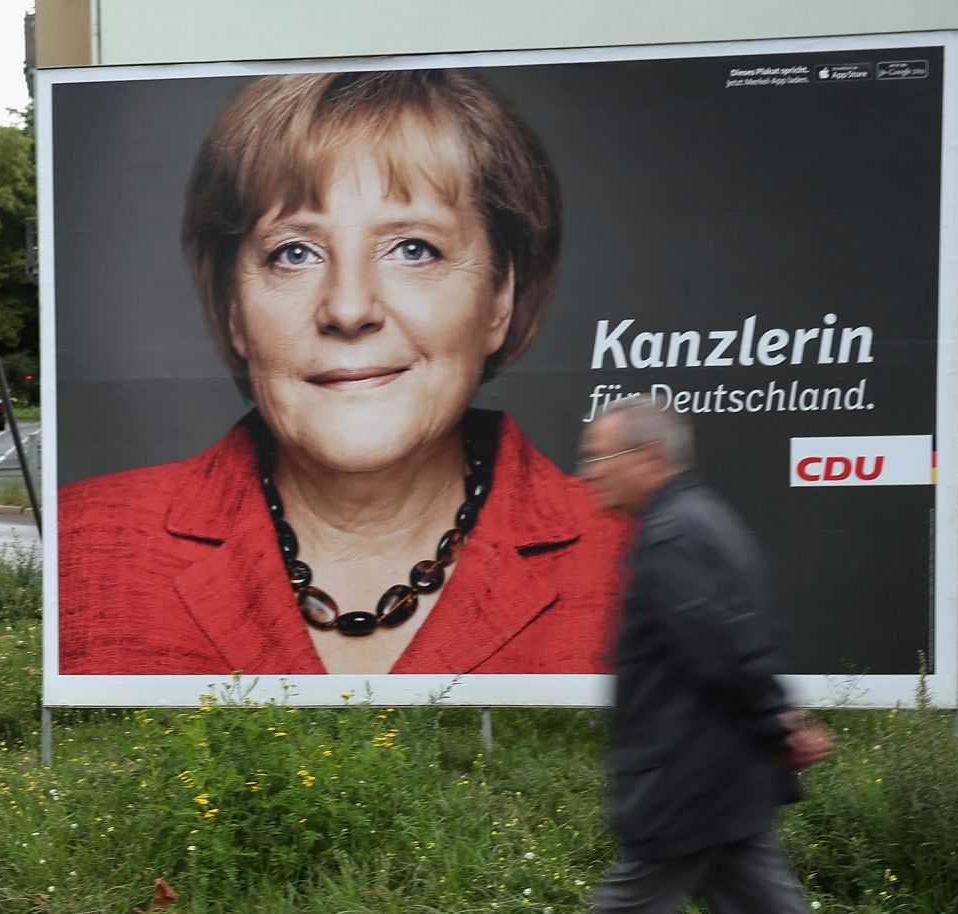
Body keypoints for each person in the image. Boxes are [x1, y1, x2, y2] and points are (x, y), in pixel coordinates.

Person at [59, 70, 630, 676]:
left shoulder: (631, 561)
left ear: (499, 298)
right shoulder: (86, 551)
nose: (350, 308)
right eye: (294, 252)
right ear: (233, 309)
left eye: (413, 247)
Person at [578, 396, 834, 913]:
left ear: (647, 456)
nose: (587, 473)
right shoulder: (696, 518)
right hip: (718, 783)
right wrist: (775, 724)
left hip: (686, 787)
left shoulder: (675, 536)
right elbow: (739, 642)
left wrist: (775, 728)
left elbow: (724, 653)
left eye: (601, 458)